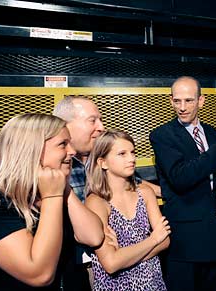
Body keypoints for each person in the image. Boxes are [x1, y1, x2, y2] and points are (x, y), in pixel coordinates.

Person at [52, 96, 161, 289]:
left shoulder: (100, 161)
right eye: (92, 120)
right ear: (66, 125)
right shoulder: (57, 167)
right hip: (74, 265)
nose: (101, 126)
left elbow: (136, 184)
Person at [149, 76, 216, 291]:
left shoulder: (211, 133)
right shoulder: (162, 136)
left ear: (201, 101)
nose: (182, 107)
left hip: (215, 234)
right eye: (176, 101)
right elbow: (180, 178)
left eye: (189, 101)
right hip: (186, 242)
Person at [0, 113, 75, 290]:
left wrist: (62, 190)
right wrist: (52, 197)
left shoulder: (46, 193)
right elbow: (39, 274)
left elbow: (94, 236)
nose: (72, 151)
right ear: (31, 149)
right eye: (63, 144)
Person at [85, 129, 171, 291]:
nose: (131, 158)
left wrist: (124, 257)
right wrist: (153, 240)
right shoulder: (96, 202)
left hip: (153, 283)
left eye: (132, 152)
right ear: (103, 163)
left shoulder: (145, 193)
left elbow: (165, 240)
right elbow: (110, 264)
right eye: (122, 154)